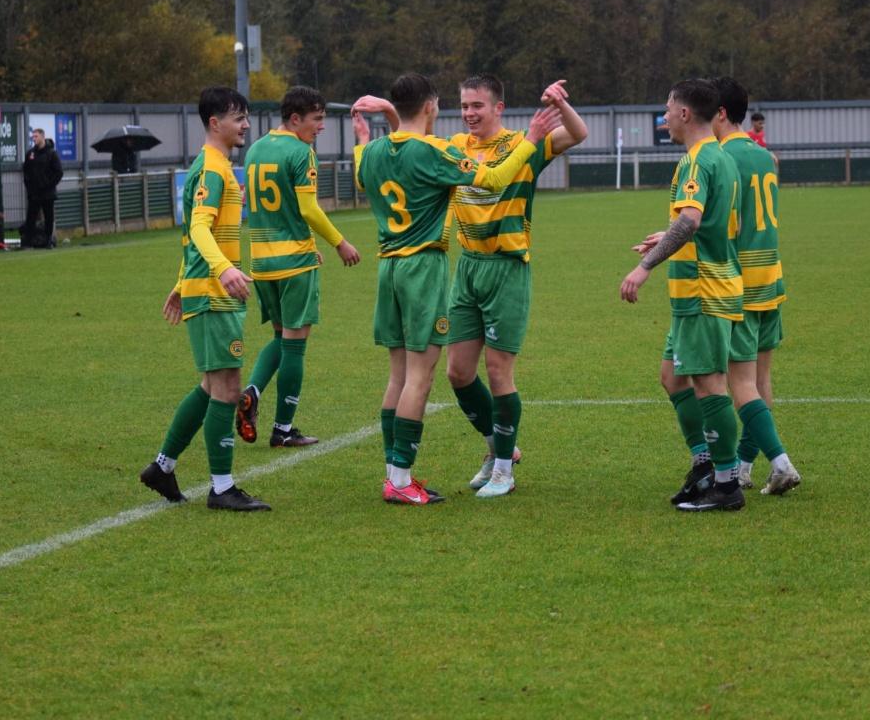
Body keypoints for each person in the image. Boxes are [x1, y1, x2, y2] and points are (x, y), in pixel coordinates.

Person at [354, 76, 589, 498]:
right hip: (466, 268)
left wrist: (558, 104)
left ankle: (503, 469)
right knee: (458, 373)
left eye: (477, 105)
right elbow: (411, 139)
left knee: (499, 372)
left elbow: (577, 133)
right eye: (464, 105)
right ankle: (496, 449)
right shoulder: (455, 146)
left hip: (506, 267)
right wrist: (391, 112)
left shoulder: (524, 143)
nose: (469, 113)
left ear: (499, 108)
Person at [139, 86, 269, 512]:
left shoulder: (212, 167)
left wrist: (182, 281)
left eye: (246, 116)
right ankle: (222, 487)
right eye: (237, 117)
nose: (245, 124)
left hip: (205, 286)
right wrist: (223, 269)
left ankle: (163, 466)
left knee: (211, 386)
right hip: (214, 291)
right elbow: (198, 229)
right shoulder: (212, 169)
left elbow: (195, 236)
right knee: (228, 389)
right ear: (215, 123)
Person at [622, 78, 745, 512]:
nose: (665, 117)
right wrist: (663, 238)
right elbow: (707, 223)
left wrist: (645, 265)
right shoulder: (718, 156)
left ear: (686, 114)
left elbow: (691, 221)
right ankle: (705, 462)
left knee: (709, 384)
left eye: (668, 109)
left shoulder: (698, 161)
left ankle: (727, 484)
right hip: (697, 288)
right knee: (672, 377)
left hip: (705, 289)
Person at [235, 85, 361, 449]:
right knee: (295, 344)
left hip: (262, 263)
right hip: (294, 264)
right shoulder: (301, 152)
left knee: (280, 337)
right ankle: (284, 429)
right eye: (316, 119)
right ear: (295, 119)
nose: (320, 127)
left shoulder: (256, 149)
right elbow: (307, 208)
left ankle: (253, 391)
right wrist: (339, 242)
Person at [711, 77, 800, 495]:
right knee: (760, 379)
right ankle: (746, 464)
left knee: (738, 382)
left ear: (721, 113)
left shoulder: (723, 157)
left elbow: (730, 224)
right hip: (771, 276)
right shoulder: (765, 156)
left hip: (740, 281)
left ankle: (780, 462)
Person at [22, 128, 63, 248]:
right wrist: (29, 187)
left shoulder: (51, 153)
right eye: (33, 137)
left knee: (49, 217)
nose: (34, 139)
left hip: (47, 193)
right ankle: (28, 242)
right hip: (34, 193)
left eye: (36, 136)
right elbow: (26, 172)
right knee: (31, 217)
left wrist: (49, 185)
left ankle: (48, 240)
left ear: (42, 137)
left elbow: (59, 172)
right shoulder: (30, 154)